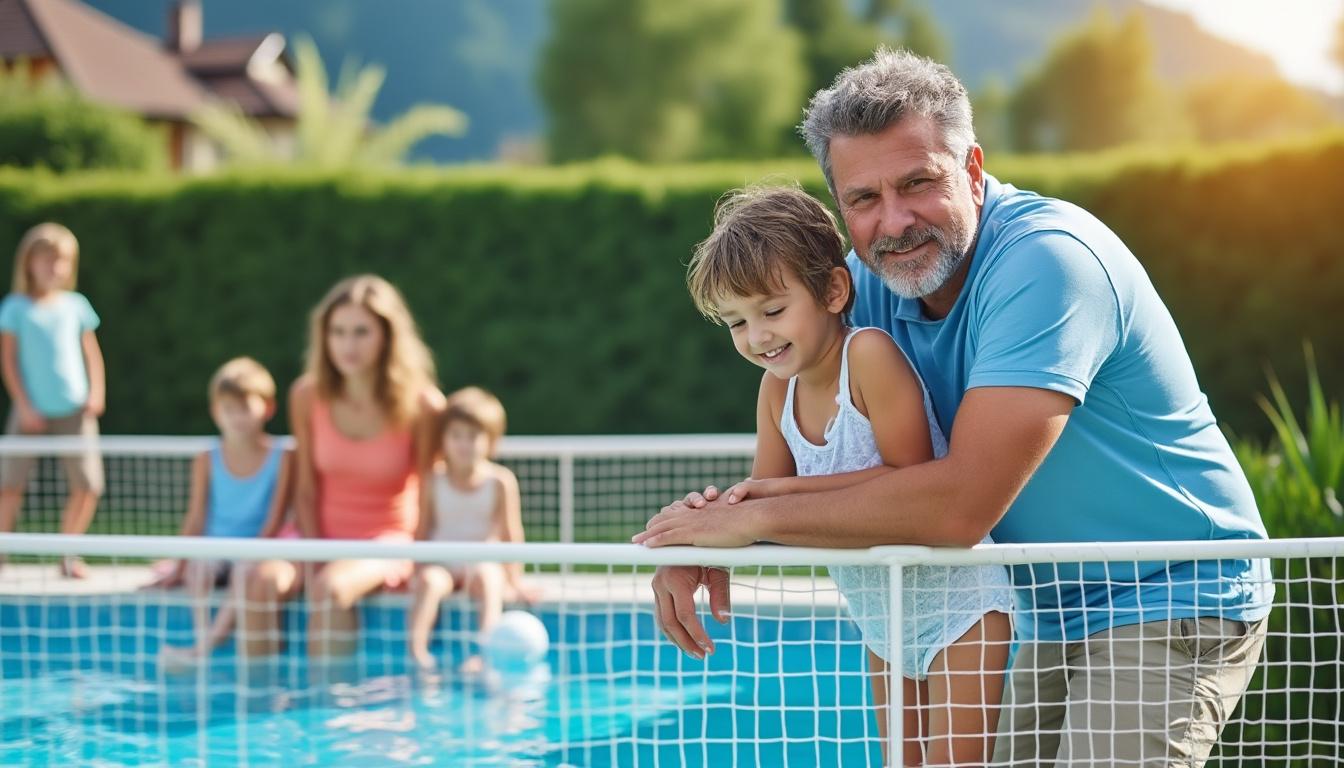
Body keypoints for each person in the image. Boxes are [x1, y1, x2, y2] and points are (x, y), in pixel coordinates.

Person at [643, 48, 1273, 767]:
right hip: (1041, 607)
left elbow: (958, 508)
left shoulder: (1048, 263)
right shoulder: (859, 289)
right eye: (864, 199)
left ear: (972, 169)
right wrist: (694, 541)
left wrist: (753, 520)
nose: (895, 221)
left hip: (1170, 591)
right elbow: (796, 469)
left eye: (918, 183)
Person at [635, 184, 1013, 764]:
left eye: (772, 311)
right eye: (736, 322)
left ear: (834, 291)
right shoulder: (775, 392)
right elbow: (760, 512)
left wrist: (777, 494)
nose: (757, 336)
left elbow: (911, 482)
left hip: (961, 609)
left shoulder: (869, 356)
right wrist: (694, 539)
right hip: (882, 619)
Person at [241, 275, 442, 659]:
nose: (348, 345)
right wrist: (315, 553)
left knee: (330, 589)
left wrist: (418, 559)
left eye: (361, 332)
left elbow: (430, 491)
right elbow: (305, 488)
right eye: (338, 332)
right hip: (314, 535)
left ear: (388, 336)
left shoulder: (424, 405)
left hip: (386, 540)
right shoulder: (306, 395)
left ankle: (329, 697)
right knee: (260, 582)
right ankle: (259, 694)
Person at [153, 357, 292, 666]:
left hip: (256, 551)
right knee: (198, 569)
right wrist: (178, 568)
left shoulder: (283, 458)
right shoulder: (206, 459)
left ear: (268, 408)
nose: (237, 417)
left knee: (245, 573)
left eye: (245, 408)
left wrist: (251, 553)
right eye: (229, 409)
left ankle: (206, 646)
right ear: (216, 412)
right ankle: (202, 634)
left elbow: (274, 520)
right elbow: (195, 519)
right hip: (214, 550)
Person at [0, 223, 105, 579]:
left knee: (88, 485)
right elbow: (9, 361)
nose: (55, 267)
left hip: (75, 409)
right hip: (29, 410)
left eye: (62, 260)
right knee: (9, 485)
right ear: (28, 263)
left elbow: (91, 353)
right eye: (47, 259)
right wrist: (24, 405)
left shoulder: (76, 305)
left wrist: (96, 392)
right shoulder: (15, 308)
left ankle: (68, 555)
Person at [407, 386, 534, 672]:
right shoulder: (432, 480)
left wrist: (515, 581)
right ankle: (417, 651)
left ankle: (484, 651)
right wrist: (416, 571)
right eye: (456, 435)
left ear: (491, 441)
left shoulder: (500, 481)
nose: (464, 444)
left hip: (481, 562)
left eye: (473, 436)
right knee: (429, 582)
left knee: (490, 578)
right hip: (442, 562)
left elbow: (511, 535)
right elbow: (422, 529)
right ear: (443, 439)